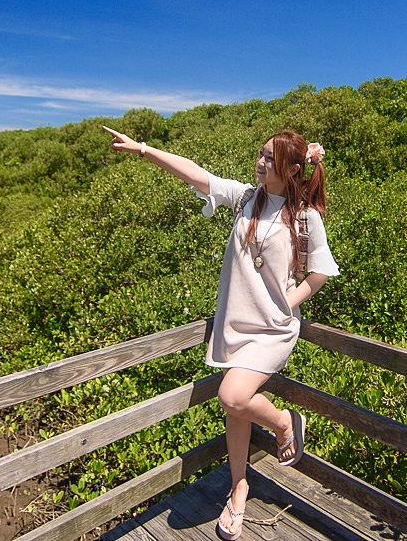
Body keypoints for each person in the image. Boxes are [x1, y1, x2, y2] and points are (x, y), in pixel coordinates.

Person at [102, 125, 339, 540]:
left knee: (233, 395)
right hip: (236, 325)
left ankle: (286, 424)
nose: (260, 162)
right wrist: (143, 149)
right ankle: (239, 486)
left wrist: (290, 301)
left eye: (269, 158)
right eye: (261, 154)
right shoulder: (248, 198)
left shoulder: (306, 218)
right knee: (234, 408)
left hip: (273, 329)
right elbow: (196, 174)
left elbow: (322, 270)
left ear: (292, 169)